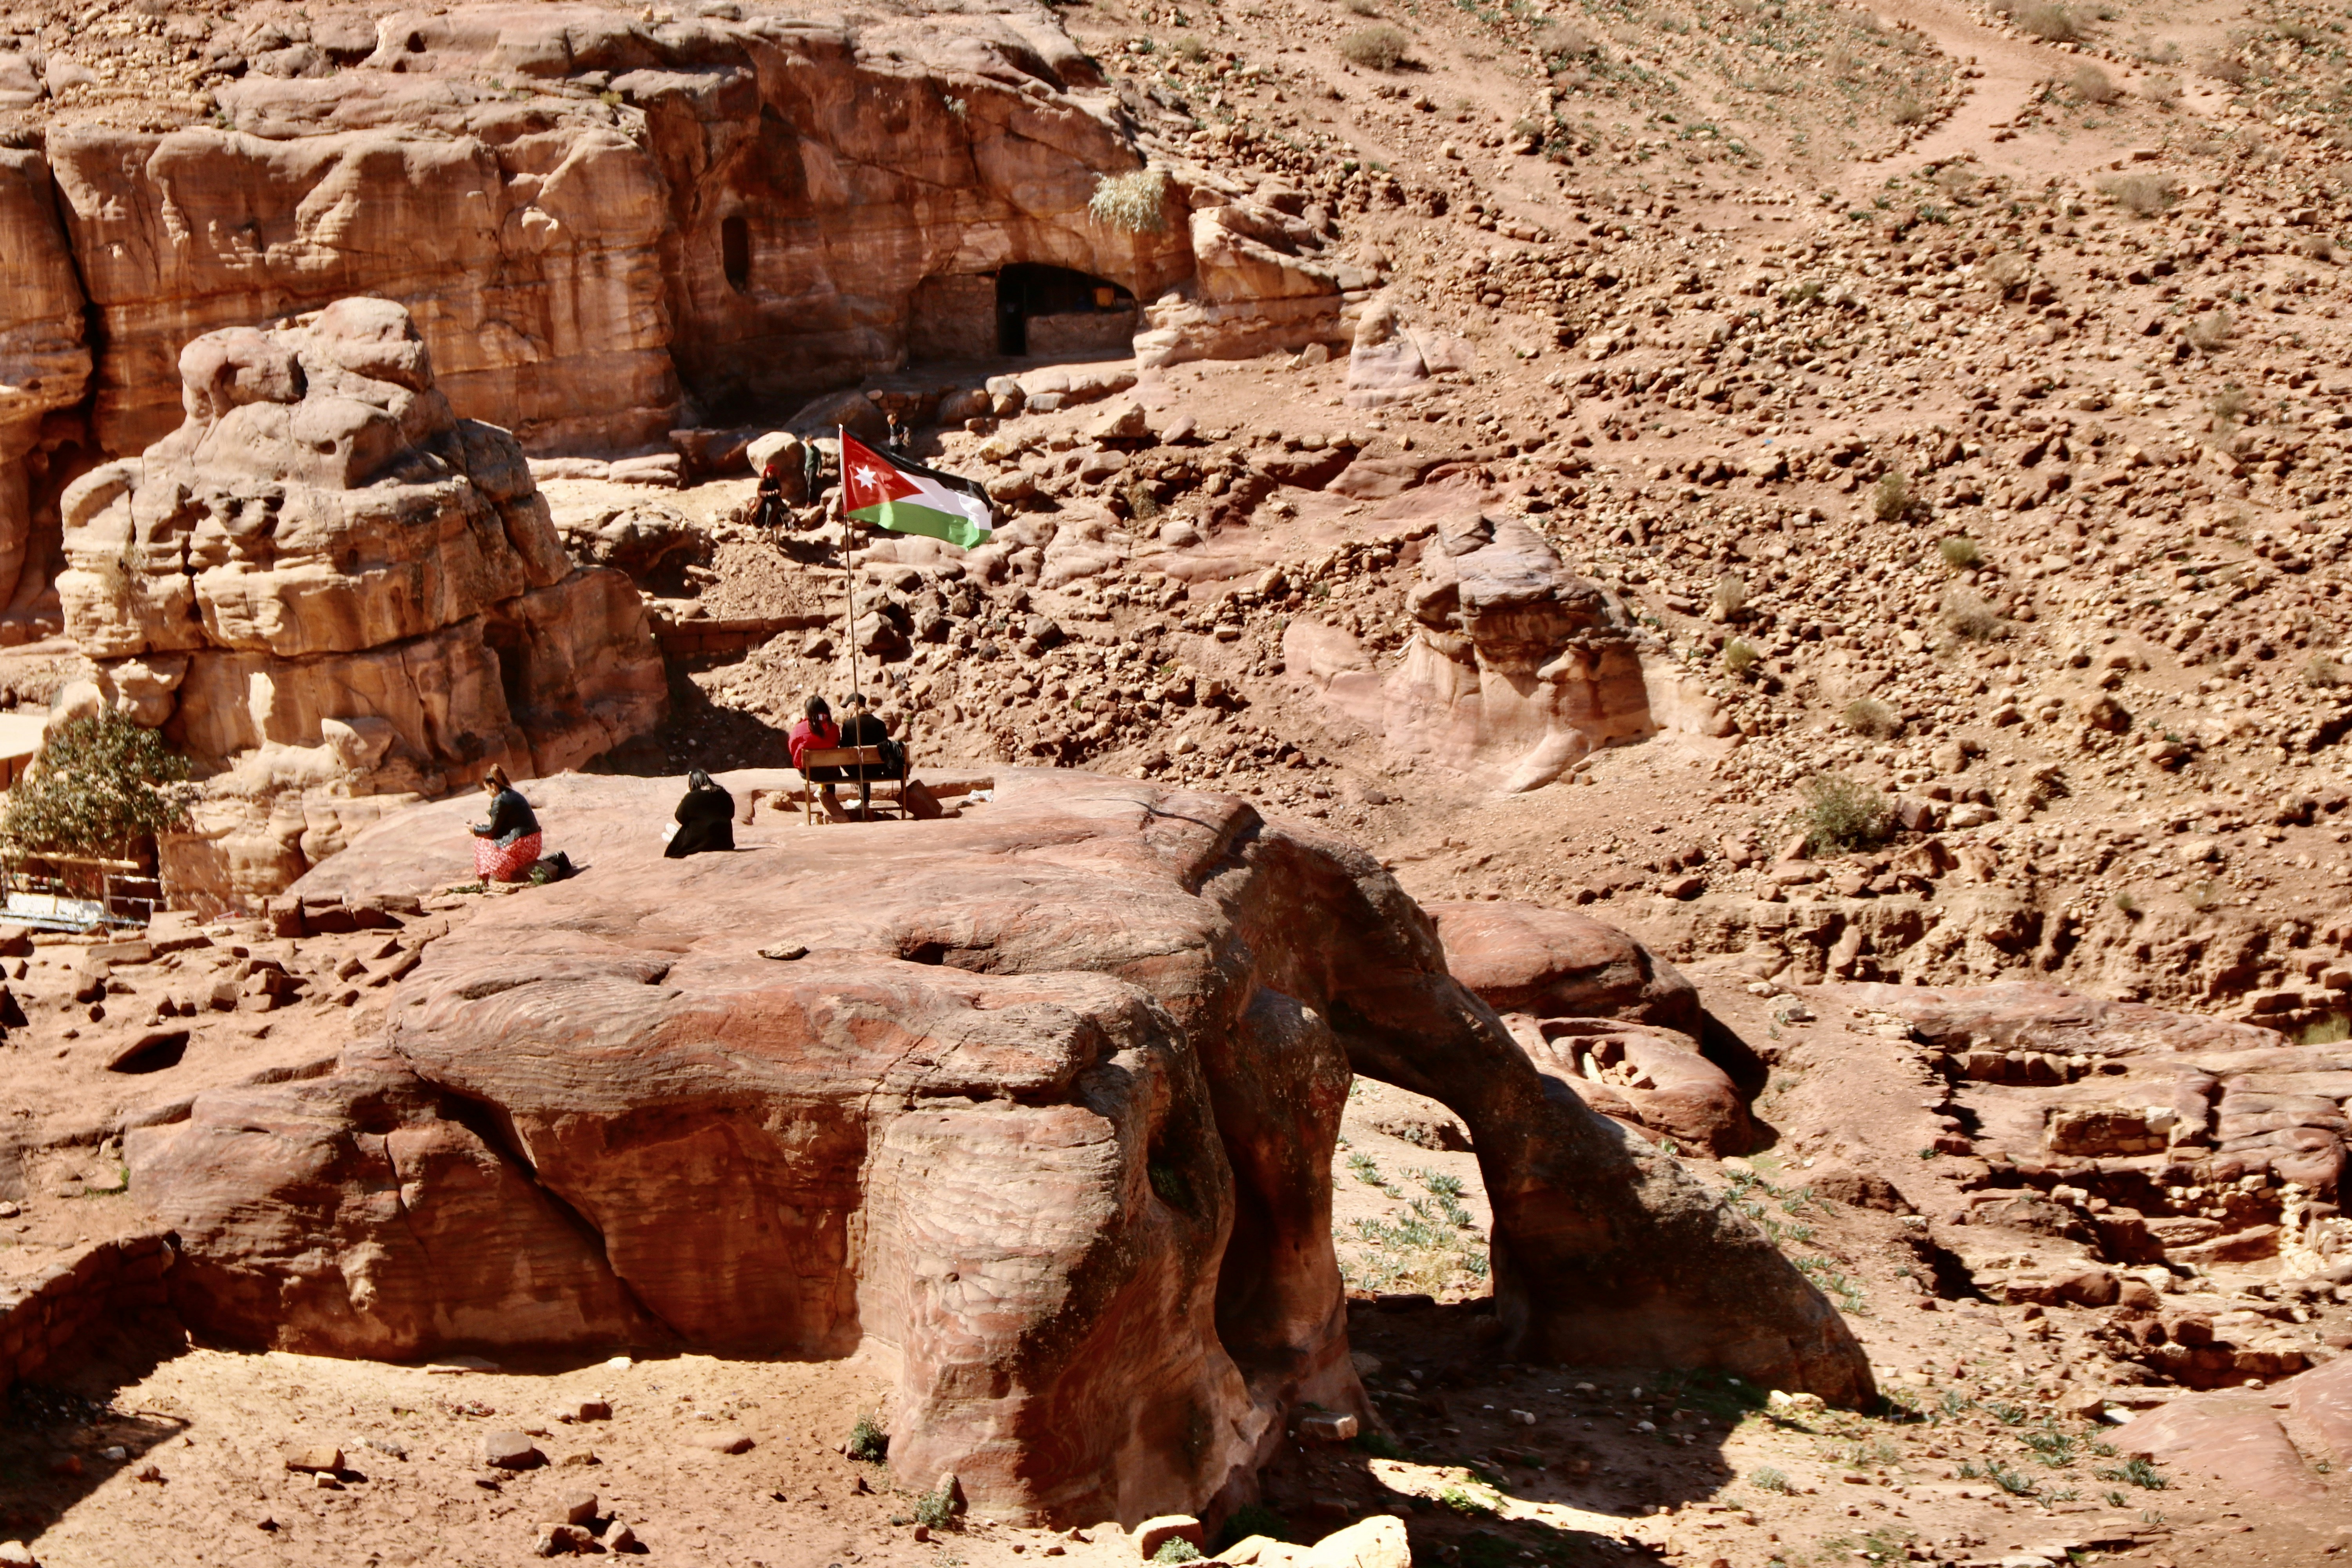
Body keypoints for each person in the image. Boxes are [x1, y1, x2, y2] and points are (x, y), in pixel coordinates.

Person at [469, 764, 543, 883]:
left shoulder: (500, 800)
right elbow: (500, 829)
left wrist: (475, 829)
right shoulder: (515, 794)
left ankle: (483, 882)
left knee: (481, 843)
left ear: (493, 787)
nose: (488, 793)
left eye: (487, 789)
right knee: (488, 841)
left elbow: (492, 832)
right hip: (535, 845)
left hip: (523, 847)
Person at [837, 692, 907, 818]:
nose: (847, 710)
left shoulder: (849, 725)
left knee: (857, 762)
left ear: (855, 706)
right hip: (876, 770)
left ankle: (862, 801)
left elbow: (843, 751)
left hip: (856, 770)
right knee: (866, 764)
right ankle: (864, 801)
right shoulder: (880, 724)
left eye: (848, 707)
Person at [789, 695, 846, 815]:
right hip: (830, 772)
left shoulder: (800, 728)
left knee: (824, 769)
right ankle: (831, 800)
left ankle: (823, 802)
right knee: (830, 768)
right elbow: (837, 742)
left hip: (809, 773)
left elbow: (792, 747)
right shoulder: (834, 728)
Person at [665, 769, 736, 857]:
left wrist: (686, 797)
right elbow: (731, 814)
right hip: (725, 842)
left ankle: (675, 841)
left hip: (700, 844)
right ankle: (676, 838)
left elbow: (680, 818)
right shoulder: (723, 794)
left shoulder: (691, 797)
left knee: (689, 826)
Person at [751, 461, 788, 530]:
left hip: (774, 498)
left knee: (784, 508)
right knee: (770, 510)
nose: (770, 475)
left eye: (772, 473)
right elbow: (759, 491)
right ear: (767, 472)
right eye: (769, 473)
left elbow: (779, 489)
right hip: (766, 499)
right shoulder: (763, 481)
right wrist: (767, 494)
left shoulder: (775, 480)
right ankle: (767, 525)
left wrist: (777, 491)